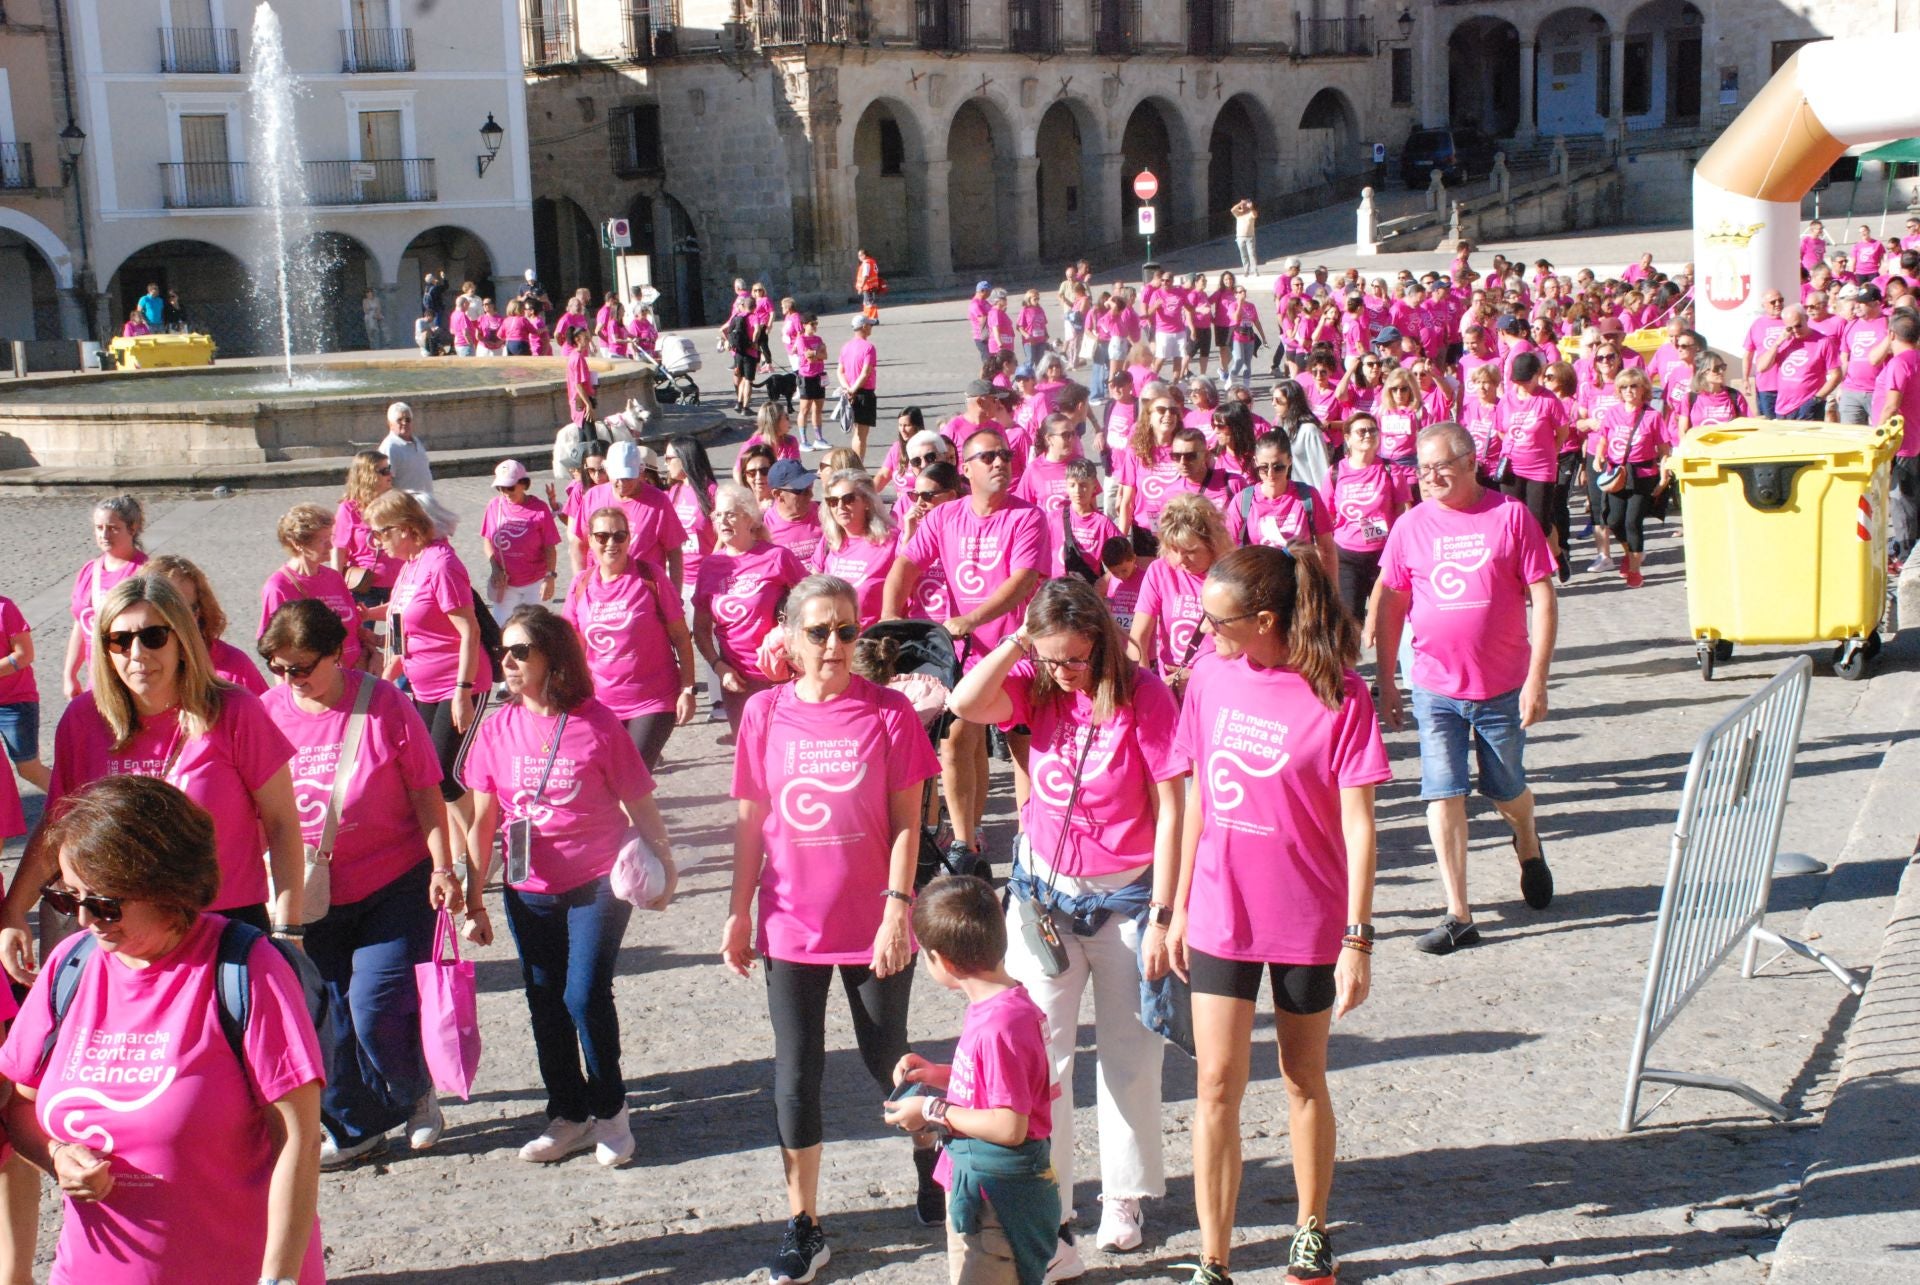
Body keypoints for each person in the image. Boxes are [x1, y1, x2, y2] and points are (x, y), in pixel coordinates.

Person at [1161, 544, 1387, 1285]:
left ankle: (1310, 1229)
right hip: (1222, 909)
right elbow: (1195, 798)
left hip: (1307, 917)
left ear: (1265, 619)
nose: (1205, 633)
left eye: (1218, 621)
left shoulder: (1339, 693)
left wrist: (1359, 934)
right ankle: (1214, 1257)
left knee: (1301, 1077)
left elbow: (1359, 823)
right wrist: (1177, 906)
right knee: (1216, 1084)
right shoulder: (1210, 678)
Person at [0, 774, 325, 1284]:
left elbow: (299, 1142)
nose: (85, 919)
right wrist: (58, 1155)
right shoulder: (70, 967)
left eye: (105, 903)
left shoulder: (246, 969)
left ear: (165, 885)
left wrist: (279, 1279)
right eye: (69, 899)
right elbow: (19, 1106)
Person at [948, 578, 1178, 1268]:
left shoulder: (1145, 693)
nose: (1063, 673)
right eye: (1052, 659)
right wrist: (1022, 641)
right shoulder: (1035, 679)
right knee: (1038, 1059)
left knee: (1129, 1057)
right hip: (1044, 896)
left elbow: (1174, 807)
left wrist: (1167, 910)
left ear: (1101, 643)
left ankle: (1124, 1194)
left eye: (1075, 659)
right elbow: (964, 703)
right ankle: (1054, 1197)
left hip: (1127, 900)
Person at [721, 575, 943, 1283]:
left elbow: (912, 823)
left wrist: (895, 909)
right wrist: (736, 910)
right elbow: (752, 821)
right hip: (790, 922)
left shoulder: (889, 713)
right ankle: (804, 1221)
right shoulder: (762, 713)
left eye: (848, 630)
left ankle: (929, 1153)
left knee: (889, 1060)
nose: (835, 644)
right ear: (788, 638)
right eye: (819, 631)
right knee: (796, 1072)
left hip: (874, 920)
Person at [462, 606, 678, 1167]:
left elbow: (640, 802)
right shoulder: (498, 726)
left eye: (518, 652)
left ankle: (611, 1113)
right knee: (543, 999)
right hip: (526, 884)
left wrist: (666, 862)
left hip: (597, 881)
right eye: (502, 652)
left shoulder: (597, 723)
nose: (505, 662)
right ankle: (569, 1115)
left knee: (583, 995)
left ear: (551, 659)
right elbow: (483, 818)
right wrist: (472, 896)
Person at [3, 574, 304, 962]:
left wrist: (289, 928)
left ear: (182, 641)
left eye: (154, 636)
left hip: (223, 931)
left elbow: (282, 823)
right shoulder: (84, 719)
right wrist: (13, 912)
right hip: (121, 934)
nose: (137, 653)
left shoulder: (235, 711)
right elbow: (57, 828)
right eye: (120, 640)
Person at [258, 601, 462, 1168]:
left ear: (337, 653)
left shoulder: (384, 704)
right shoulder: (266, 712)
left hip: (393, 882)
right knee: (330, 1019)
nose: (290, 679)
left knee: (376, 1006)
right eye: (278, 667)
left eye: (301, 667)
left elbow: (426, 791)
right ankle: (358, 1127)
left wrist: (444, 868)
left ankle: (415, 1089)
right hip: (307, 893)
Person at [1375, 424, 1558, 955]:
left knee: (1505, 789)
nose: (1428, 478)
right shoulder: (1410, 527)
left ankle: (1526, 836)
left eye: (1439, 467)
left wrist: (1537, 679)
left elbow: (1542, 599)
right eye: (1420, 468)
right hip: (1434, 687)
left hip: (1502, 686)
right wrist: (1388, 680)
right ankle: (1458, 911)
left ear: (1471, 461)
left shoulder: (1510, 516)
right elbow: (1391, 606)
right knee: (1442, 790)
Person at [883, 427, 1048, 872]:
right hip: (968, 655)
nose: (1000, 463)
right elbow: (905, 564)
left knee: (1023, 749)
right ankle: (963, 844)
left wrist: (970, 620)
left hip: (1019, 651)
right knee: (955, 739)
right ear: (967, 470)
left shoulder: (1027, 517)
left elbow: (1022, 582)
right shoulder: (945, 516)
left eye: (1006, 456)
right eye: (988, 456)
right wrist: (888, 619)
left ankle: (1031, 840)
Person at [884, 876, 1060, 1285]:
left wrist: (929, 1110)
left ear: (940, 960)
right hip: (985, 1192)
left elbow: (1009, 1125)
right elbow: (1006, 1086)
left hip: (997, 1205)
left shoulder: (998, 1027)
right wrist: (937, 1075)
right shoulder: (1006, 1004)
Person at [366, 490, 484, 869]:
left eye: (380, 533)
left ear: (404, 528)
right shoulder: (412, 564)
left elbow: (470, 630)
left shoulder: (442, 564)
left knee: (445, 774)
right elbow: (405, 622)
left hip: (458, 682)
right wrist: (384, 677)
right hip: (423, 686)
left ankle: (482, 848)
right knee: (431, 773)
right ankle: (461, 849)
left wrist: (462, 693)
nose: (376, 542)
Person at [562, 504, 698, 768]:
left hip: (653, 700)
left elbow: (681, 636)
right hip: (601, 703)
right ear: (590, 540)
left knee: (632, 771)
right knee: (607, 780)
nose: (611, 543)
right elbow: (573, 646)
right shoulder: (581, 584)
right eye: (602, 537)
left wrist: (687, 689)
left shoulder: (650, 577)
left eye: (619, 536)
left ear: (629, 538)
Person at [694, 484, 809, 733]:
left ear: (749, 518)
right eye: (718, 515)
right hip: (736, 679)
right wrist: (718, 666)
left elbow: (813, 602)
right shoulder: (710, 566)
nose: (723, 520)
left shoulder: (778, 557)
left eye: (731, 513)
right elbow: (700, 629)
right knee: (750, 754)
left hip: (780, 675)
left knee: (783, 751)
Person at [1130, 495, 1232, 704]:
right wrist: (1146, 688)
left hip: (1218, 689)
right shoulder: (1160, 570)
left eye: (1190, 552)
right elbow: (1137, 639)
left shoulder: (1233, 575)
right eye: (1174, 550)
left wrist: (1199, 677)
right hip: (1171, 691)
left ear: (1213, 544)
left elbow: (1243, 649)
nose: (1180, 560)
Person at [1317, 414, 1410, 623]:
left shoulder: (1390, 469)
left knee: (1388, 618)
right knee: (1350, 620)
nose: (1368, 434)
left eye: (1372, 430)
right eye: (1362, 431)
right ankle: (1349, 656)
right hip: (1347, 556)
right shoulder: (1335, 472)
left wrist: (1398, 545)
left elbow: (1403, 509)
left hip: (1384, 556)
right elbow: (1326, 516)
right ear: (1348, 438)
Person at [260, 503, 367, 672]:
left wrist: (371, 653)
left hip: (354, 675)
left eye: (330, 538)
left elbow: (355, 629)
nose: (331, 546)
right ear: (298, 544)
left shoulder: (334, 578)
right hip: (315, 682)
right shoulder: (279, 587)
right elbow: (274, 651)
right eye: (323, 541)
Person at [62, 495, 149, 700]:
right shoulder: (89, 571)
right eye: (99, 528)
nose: (105, 534)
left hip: (130, 677)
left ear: (133, 528)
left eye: (113, 528)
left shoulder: (144, 572)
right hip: (98, 678)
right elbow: (81, 624)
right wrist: (70, 673)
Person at [568, 440, 687, 588]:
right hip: (601, 589)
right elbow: (578, 545)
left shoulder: (658, 501)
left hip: (644, 590)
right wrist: (581, 586)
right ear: (607, 469)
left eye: (628, 478)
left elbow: (674, 551)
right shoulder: (593, 497)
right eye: (617, 477)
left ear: (640, 471)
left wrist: (675, 596)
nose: (622, 484)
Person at [1589, 368, 1667, 589]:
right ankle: (1631, 553)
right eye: (1624, 387)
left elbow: (1663, 449)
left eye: (1634, 386)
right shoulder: (1613, 413)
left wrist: (1663, 476)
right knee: (1613, 521)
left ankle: (1635, 570)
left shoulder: (1652, 416)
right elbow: (1604, 437)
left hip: (1642, 475)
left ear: (1643, 389)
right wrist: (1599, 457)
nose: (1629, 391)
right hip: (1617, 474)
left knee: (1633, 522)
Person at [147, 554, 268, 696]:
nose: (173, 619)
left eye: (183, 610)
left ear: (199, 612)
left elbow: (265, 712)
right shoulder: (134, 666)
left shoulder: (233, 666)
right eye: (162, 609)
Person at [813, 470, 898, 628]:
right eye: (832, 501)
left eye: (848, 499)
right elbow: (812, 589)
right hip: (833, 638)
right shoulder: (829, 540)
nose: (840, 506)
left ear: (866, 502)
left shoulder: (891, 541)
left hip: (872, 641)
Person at [482, 459, 561, 624]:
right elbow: (488, 540)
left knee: (533, 630)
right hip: (506, 583)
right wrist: (495, 568)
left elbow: (549, 547)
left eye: (510, 487)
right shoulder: (494, 506)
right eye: (500, 488)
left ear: (523, 484)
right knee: (502, 630)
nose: (505, 492)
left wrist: (550, 577)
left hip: (535, 583)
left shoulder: (539, 509)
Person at [332, 451, 401, 610]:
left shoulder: (395, 502)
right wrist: (336, 584)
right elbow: (339, 548)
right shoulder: (349, 508)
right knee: (363, 632)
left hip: (398, 581)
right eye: (383, 471)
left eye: (389, 468)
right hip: (364, 584)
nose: (389, 474)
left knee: (401, 632)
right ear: (367, 475)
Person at [0, 592, 48, 793]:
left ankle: (79, 806)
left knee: (29, 769)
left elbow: (24, 654)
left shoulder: (4, 608)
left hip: (14, 702)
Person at [765, 459, 826, 564]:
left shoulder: (824, 513)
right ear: (778, 495)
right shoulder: (763, 525)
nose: (810, 495)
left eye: (810, 488)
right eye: (801, 490)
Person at [840, 315, 880, 459]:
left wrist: (847, 388)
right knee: (861, 435)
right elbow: (865, 373)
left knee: (856, 433)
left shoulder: (846, 346)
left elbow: (840, 372)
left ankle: (856, 463)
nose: (871, 328)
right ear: (863, 327)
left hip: (850, 392)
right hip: (863, 393)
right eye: (869, 325)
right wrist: (853, 389)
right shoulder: (869, 347)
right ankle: (859, 465)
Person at [856, 248, 885, 323]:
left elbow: (865, 275)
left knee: (869, 304)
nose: (859, 258)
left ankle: (873, 319)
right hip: (872, 286)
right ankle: (868, 318)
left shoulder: (866, 263)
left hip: (868, 286)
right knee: (867, 303)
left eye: (859, 256)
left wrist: (861, 287)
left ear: (864, 255)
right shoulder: (872, 261)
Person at [1231, 199, 1258, 277]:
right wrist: (1240, 203)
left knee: (1251, 254)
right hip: (1240, 237)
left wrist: (1251, 207)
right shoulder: (1238, 214)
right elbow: (1232, 210)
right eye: (1242, 205)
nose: (1243, 206)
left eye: (1244, 205)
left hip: (1250, 237)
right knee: (1243, 255)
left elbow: (1255, 215)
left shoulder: (1250, 213)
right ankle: (1246, 270)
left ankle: (1254, 270)